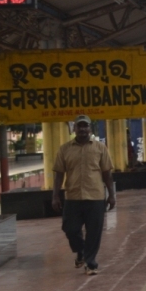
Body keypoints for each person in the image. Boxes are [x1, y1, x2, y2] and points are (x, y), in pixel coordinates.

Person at [51, 115, 116, 276]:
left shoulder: (100, 148)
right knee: (70, 229)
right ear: (74, 129)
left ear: (90, 129)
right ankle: (80, 251)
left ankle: (90, 263)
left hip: (95, 197)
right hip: (72, 197)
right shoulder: (64, 149)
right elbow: (58, 174)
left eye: (85, 126)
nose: (82, 129)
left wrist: (111, 195)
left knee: (94, 232)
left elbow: (107, 173)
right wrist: (55, 196)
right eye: (79, 126)